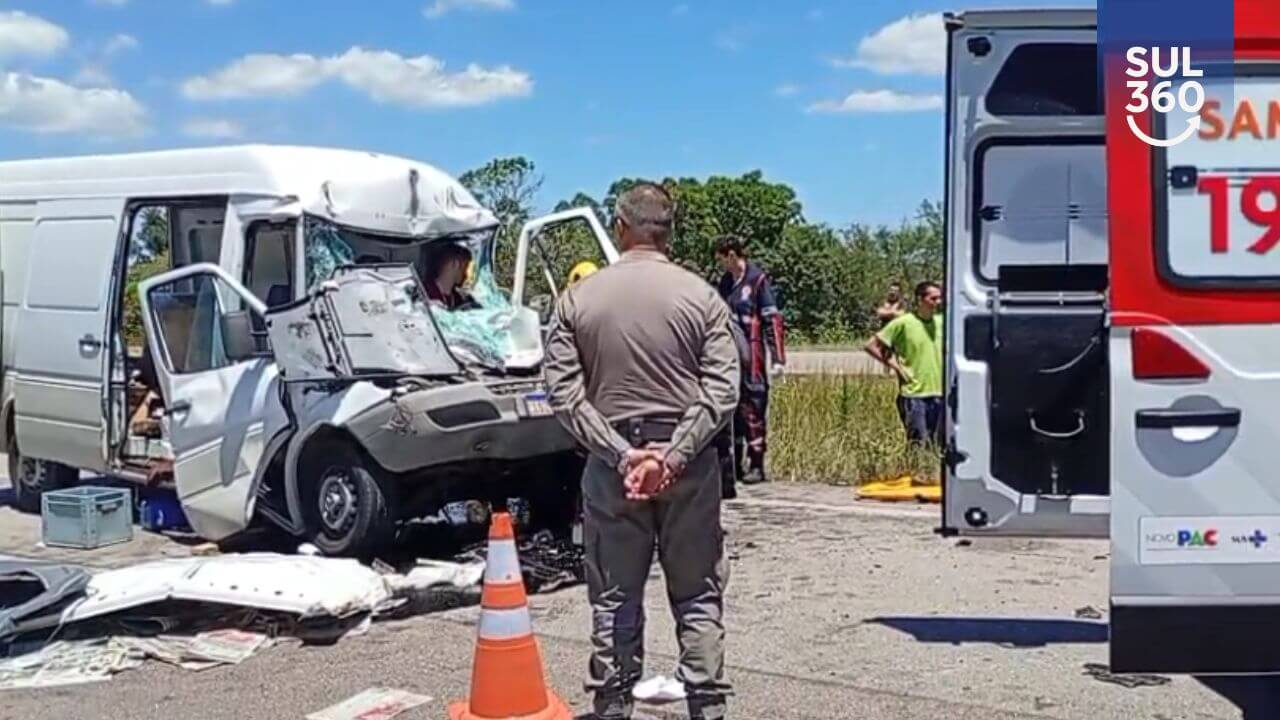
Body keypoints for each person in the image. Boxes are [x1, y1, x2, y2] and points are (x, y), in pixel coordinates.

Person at [545, 183, 739, 720]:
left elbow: (564, 394)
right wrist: (672, 456)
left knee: (613, 598)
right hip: (690, 465)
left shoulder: (577, 300)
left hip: (613, 471)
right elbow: (722, 390)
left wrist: (623, 455)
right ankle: (707, 708)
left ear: (620, 226)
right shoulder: (702, 296)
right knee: (698, 596)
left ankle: (611, 707)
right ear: (669, 232)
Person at [713, 235, 786, 485]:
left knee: (754, 407)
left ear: (732, 255)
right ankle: (734, 464)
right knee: (732, 409)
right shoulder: (725, 283)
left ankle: (757, 463)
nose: (721, 265)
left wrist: (778, 358)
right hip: (728, 353)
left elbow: (772, 320)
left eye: (722, 259)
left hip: (752, 354)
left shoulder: (757, 281)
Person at [865, 280, 944, 447]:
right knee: (918, 444)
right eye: (933, 298)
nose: (938, 302)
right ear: (920, 299)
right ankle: (914, 472)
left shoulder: (943, 322)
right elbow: (871, 345)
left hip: (939, 392)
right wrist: (896, 367)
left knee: (938, 445)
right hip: (914, 394)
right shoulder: (904, 323)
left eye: (940, 298)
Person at [424, 242, 475, 310]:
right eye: (465, 266)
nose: (466, 273)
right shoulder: (424, 291)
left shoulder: (458, 298)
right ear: (455, 264)